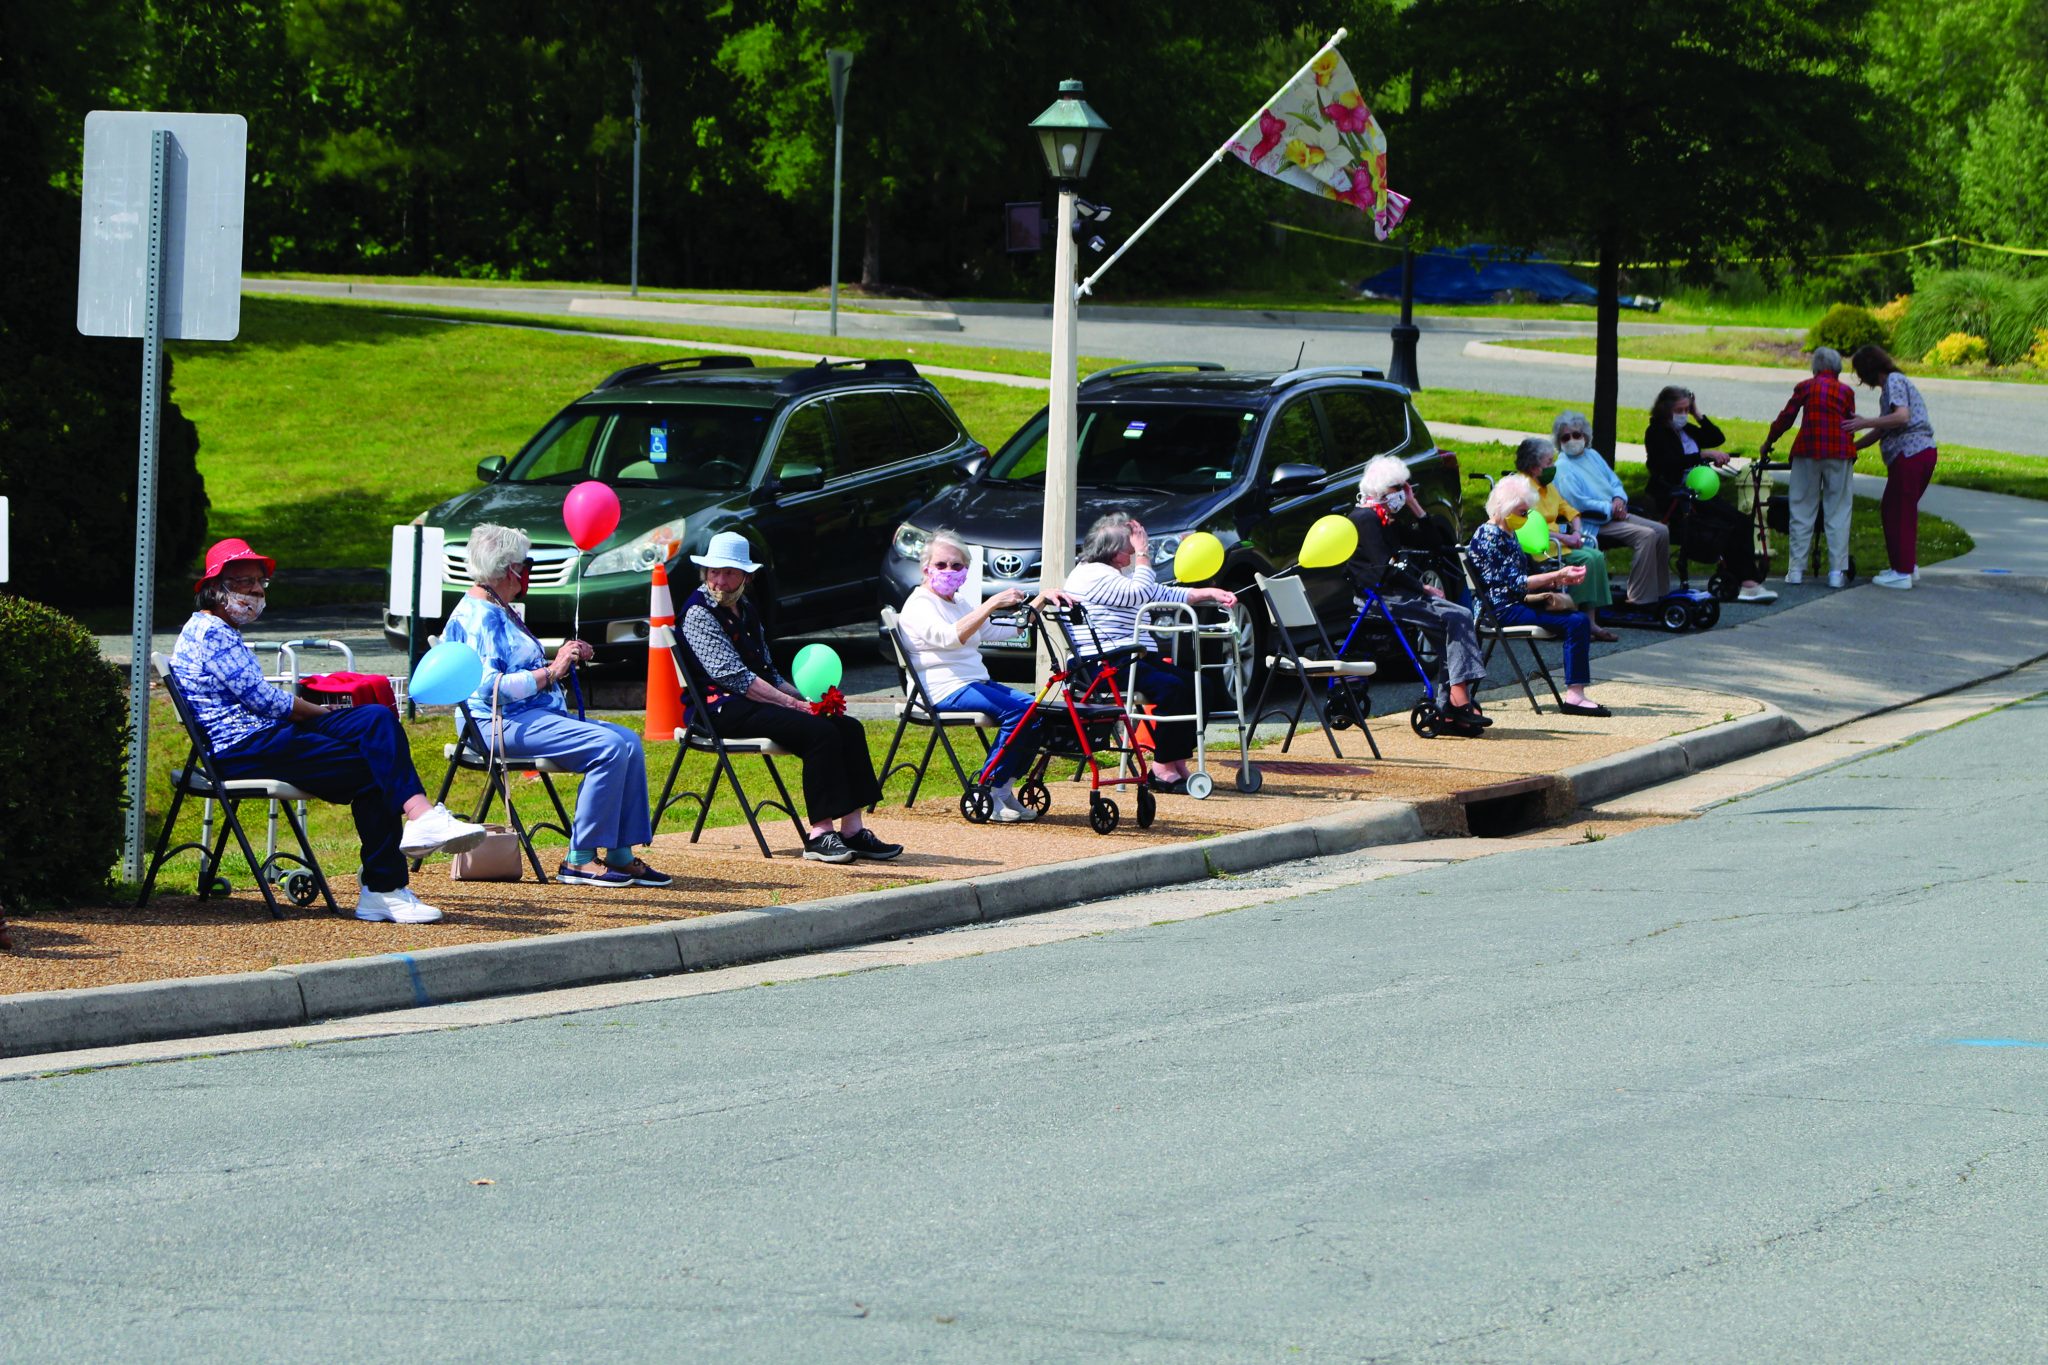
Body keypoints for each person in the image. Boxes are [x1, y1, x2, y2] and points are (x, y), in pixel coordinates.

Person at [170, 537, 487, 924]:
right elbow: (265, 702)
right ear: (215, 589)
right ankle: (384, 888)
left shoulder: (217, 629)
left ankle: (419, 819)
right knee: (375, 767)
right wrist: (316, 712)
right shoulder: (210, 632)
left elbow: (268, 704)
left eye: (260, 582)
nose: (256, 590)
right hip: (244, 747)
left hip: (266, 737)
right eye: (244, 582)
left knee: (375, 718)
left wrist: (316, 713)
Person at [440, 523, 667, 888]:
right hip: (496, 724)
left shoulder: (499, 606)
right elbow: (489, 689)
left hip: (527, 716)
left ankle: (620, 853)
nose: (527, 571)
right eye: (525, 563)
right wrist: (553, 669)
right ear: (508, 569)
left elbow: (515, 667)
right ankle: (579, 859)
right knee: (608, 747)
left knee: (628, 741)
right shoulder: (481, 617)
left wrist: (563, 655)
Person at [676, 530, 901, 864]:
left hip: (751, 700)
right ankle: (820, 835)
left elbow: (766, 669)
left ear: (745, 577)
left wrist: (807, 698)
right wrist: (794, 705)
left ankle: (853, 830)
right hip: (719, 708)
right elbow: (734, 677)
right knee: (819, 733)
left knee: (848, 727)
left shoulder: (747, 608)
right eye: (713, 572)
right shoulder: (698, 613)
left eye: (728, 572)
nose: (719, 581)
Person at [896, 531, 1069, 822]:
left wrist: (1040, 600)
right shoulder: (919, 604)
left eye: (956, 566)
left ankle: (1004, 787)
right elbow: (950, 637)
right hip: (940, 689)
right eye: (941, 565)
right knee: (1019, 712)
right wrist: (991, 604)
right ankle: (987, 788)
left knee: (1036, 711)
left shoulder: (958, 602)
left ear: (966, 571)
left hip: (972, 682)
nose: (949, 571)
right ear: (926, 569)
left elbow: (1000, 630)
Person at [1065, 512, 1239, 794]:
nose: (1133, 552)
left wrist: (1208, 593)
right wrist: (1145, 554)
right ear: (1112, 550)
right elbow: (1139, 593)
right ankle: (1161, 768)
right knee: (1173, 689)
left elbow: (1159, 593)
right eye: (1129, 547)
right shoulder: (1090, 574)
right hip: (1103, 663)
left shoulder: (1115, 575)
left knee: (1201, 686)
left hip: (1130, 657)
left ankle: (1175, 758)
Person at [1347, 455, 1492, 729]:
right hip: (1380, 598)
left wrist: (1414, 505)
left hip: (1399, 594)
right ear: (1379, 491)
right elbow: (1381, 570)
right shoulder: (1365, 519)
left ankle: (1450, 702)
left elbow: (1434, 544)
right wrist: (1421, 586)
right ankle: (1457, 699)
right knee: (1458, 615)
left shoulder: (1386, 520)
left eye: (1405, 488)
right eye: (1397, 489)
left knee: (1453, 624)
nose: (1401, 494)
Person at [1466, 476, 1609, 717]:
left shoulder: (1507, 532)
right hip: (1499, 610)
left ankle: (1576, 693)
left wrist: (1559, 578)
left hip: (1510, 604)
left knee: (1575, 619)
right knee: (1577, 622)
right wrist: (1558, 574)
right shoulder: (1489, 536)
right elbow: (1515, 583)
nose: (1525, 518)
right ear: (1505, 507)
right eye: (1522, 512)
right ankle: (1575, 696)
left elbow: (1523, 577)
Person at [1643, 386, 1776, 602]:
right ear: (1666, 409)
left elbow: (1716, 437)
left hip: (1699, 491)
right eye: (1680, 410)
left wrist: (1698, 414)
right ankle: (1747, 581)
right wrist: (1701, 455)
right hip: (1677, 495)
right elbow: (1668, 464)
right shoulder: (1657, 432)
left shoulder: (1686, 430)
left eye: (1687, 409)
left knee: (1740, 521)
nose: (1683, 415)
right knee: (1732, 523)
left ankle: (1745, 579)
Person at [1549, 410, 1673, 608]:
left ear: (1585, 435)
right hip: (1592, 523)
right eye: (1566, 437)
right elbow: (1579, 504)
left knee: (1662, 530)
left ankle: (1660, 592)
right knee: (1647, 536)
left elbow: (1614, 482)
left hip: (1614, 514)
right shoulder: (1563, 468)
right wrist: (1610, 508)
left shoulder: (1593, 455)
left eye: (1577, 434)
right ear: (1559, 441)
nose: (1572, 440)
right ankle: (1640, 598)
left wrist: (1618, 500)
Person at [1760, 348, 1859, 588]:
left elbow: (1787, 417)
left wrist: (1769, 441)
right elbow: (1850, 423)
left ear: (1815, 368)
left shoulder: (1805, 387)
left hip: (1807, 451)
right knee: (1838, 511)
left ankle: (1795, 570)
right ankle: (1836, 572)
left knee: (1802, 508)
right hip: (1839, 453)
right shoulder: (1846, 391)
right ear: (1837, 369)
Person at [1843, 344, 1937, 590]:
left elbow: (1901, 417)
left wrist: (1864, 422)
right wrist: (1854, 447)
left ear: (1867, 370)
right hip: (1920, 453)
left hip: (1911, 453)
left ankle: (1902, 572)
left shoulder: (1894, 382)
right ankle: (1907, 565)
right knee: (1899, 510)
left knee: (1897, 511)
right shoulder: (1895, 383)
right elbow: (1884, 428)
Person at [1510, 437, 1617, 641]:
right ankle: (1576, 618)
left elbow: (1569, 510)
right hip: (1541, 548)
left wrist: (1576, 532)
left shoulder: (1548, 486)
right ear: (1533, 467)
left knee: (1595, 555)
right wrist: (1566, 538)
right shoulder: (1524, 489)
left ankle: (1590, 621)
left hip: (1559, 544)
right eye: (1548, 462)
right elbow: (1528, 527)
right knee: (1587, 560)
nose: (1552, 466)